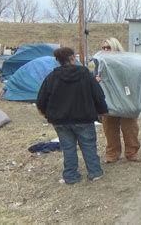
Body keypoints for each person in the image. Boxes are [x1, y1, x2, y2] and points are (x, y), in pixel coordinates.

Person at [37, 47, 108, 184]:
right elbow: (98, 95)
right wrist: (102, 112)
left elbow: (41, 100)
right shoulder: (85, 75)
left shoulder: (52, 77)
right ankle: (95, 172)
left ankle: (70, 176)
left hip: (60, 121)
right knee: (88, 145)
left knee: (68, 148)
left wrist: (48, 114)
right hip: (84, 118)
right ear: (72, 58)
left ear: (58, 61)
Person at [96, 37, 141, 163]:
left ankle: (132, 153)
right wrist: (96, 80)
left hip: (126, 99)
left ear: (116, 47)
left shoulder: (126, 61)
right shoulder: (100, 63)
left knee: (130, 128)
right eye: (103, 48)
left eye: (108, 47)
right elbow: (96, 78)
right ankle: (112, 154)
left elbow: (137, 71)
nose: (105, 50)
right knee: (110, 129)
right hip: (108, 101)